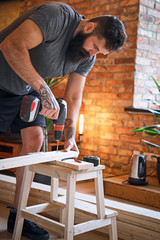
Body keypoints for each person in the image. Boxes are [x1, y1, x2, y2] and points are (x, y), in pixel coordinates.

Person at [0, 1, 126, 239]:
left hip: (27, 89)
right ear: (89, 27)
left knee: (35, 140)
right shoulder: (57, 15)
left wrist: (70, 137)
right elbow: (11, 45)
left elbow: (74, 96)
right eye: (95, 47)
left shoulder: (86, 56)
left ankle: (19, 216)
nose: (93, 54)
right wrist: (45, 91)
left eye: (100, 53)